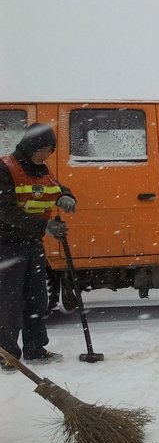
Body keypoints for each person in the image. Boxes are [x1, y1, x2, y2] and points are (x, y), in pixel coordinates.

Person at [0, 123, 77, 372]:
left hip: (32, 244)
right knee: (8, 301)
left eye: (50, 151)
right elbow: (6, 211)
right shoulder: (5, 168)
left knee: (36, 299)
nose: (47, 155)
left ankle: (35, 349)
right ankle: (6, 354)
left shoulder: (41, 170)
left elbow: (55, 188)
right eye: (44, 150)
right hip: (6, 245)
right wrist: (45, 226)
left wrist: (66, 196)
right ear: (31, 147)